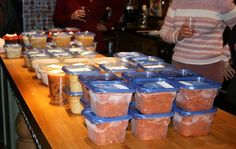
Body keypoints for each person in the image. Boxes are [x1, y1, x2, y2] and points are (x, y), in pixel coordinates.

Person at [160, 0, 236, 83]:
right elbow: (164, 32)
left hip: (209, 67)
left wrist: (226, 55)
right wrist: (178, 35)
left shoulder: (222, 2)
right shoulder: (177, 2)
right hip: (179, 65)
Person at [53, 0, 125, 54]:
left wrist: (107, 25)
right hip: (70, 42)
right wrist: (71, 16)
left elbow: (120, 7)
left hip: (93, 41)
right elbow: (56, 20)